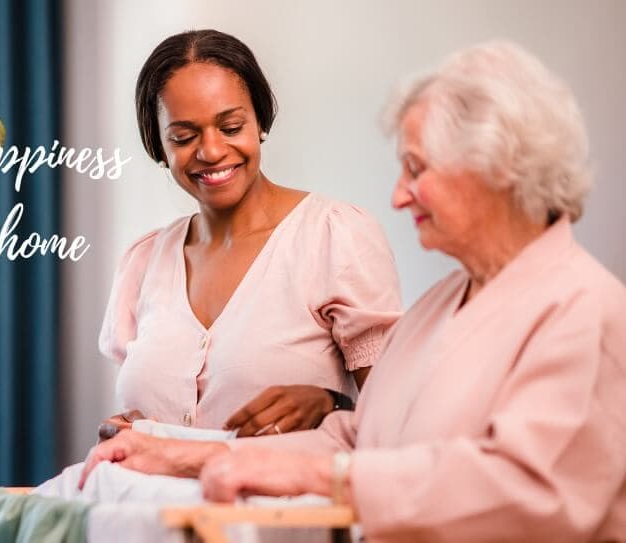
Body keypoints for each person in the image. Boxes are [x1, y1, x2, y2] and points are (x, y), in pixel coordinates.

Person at [80, 41, 626, 541]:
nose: (398, 196)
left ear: (498, 171)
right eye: (184, 135)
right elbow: (356, 438)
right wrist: (176, 456)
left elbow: (527, 493)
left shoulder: (583, 309)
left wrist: (325, 471)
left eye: (416, 169)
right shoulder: (440, 305)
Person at [96, 29, 401, 439]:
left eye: (230, 126)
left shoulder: (333, 236)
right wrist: (122, 434)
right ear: (159, 146)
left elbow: (399, 418)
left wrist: (333, 404)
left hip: (286, 502)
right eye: (184, 137)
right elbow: (143, 416)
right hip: (153, 502)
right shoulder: (144, 260)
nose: (211, 151)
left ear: (260, 121)